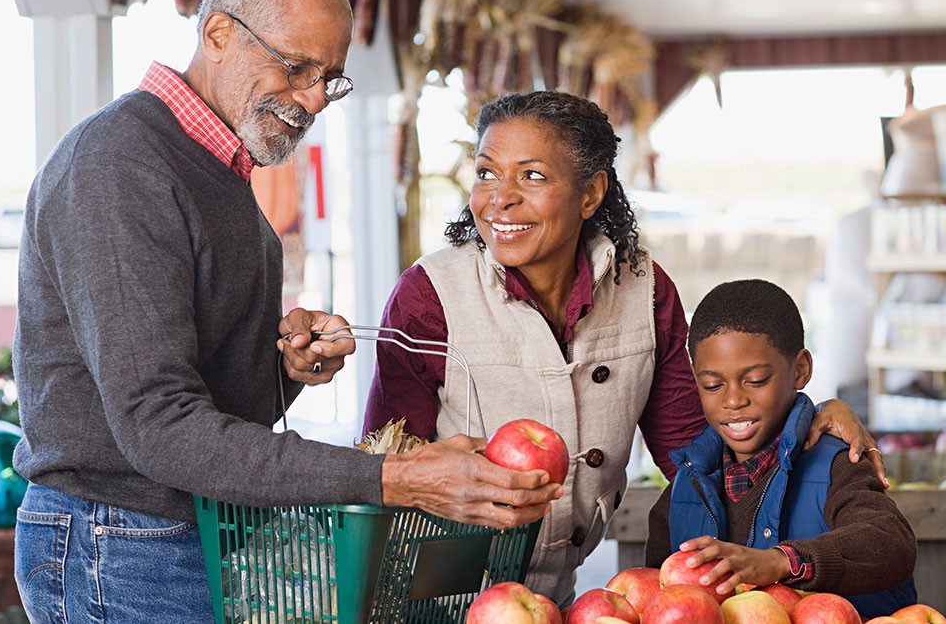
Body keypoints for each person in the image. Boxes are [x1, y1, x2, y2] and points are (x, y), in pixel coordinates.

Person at [11, 0, 558, 622]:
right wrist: (398, 479)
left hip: (178, 532)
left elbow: (199, 393)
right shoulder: (120, 166)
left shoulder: (219, 167)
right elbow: (157, 426)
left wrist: (284, 367)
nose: (311, 99)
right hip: (120, 541)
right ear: (217, 34)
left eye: (329, 80)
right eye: (296, 67)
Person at [364, 91, 886, 604]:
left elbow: (698, 455)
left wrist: (809, 417)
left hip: (557, 600)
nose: (499, 197)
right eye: (485, 172)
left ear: (591, 193)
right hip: (432, 593)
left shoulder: (645, 291)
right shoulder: (429, 295)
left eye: (533, 175)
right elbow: (386, 465)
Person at [644, 279, 917, 618]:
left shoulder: (837, 464)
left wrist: (780, 561)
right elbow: (655, 600)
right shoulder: (682, 492)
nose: (733, 400)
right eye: (712, 385)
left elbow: (891, 542)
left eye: (755, 380)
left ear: (800, 370)